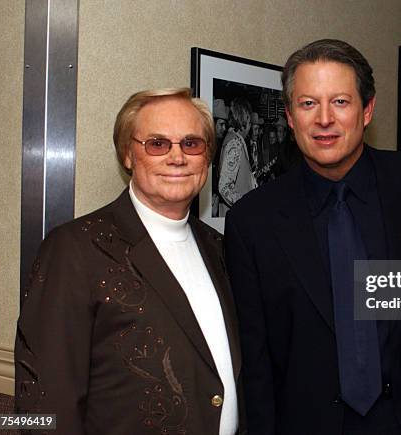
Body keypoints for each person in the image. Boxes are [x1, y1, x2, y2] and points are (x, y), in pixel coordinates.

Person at [15, 88, 244, 435]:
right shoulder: (76, 248)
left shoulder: (219, 247)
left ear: (207, 156)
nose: (177, 157)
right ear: (127, 155)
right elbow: (42, 400)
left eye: (192, 144)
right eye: (157, 144)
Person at [224, 39, 401, 434]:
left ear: (367, 110)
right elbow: (255, 361)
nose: (324, 119)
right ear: (291, 117)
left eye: (341, 102)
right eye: (308, 103)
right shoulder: (252, 220)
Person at [218, 97, 257, 217]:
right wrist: (245, 205)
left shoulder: (232, 139)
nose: (250, 127)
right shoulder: (235, 143)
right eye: (249, 121)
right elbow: (224, 186)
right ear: (244, 118)